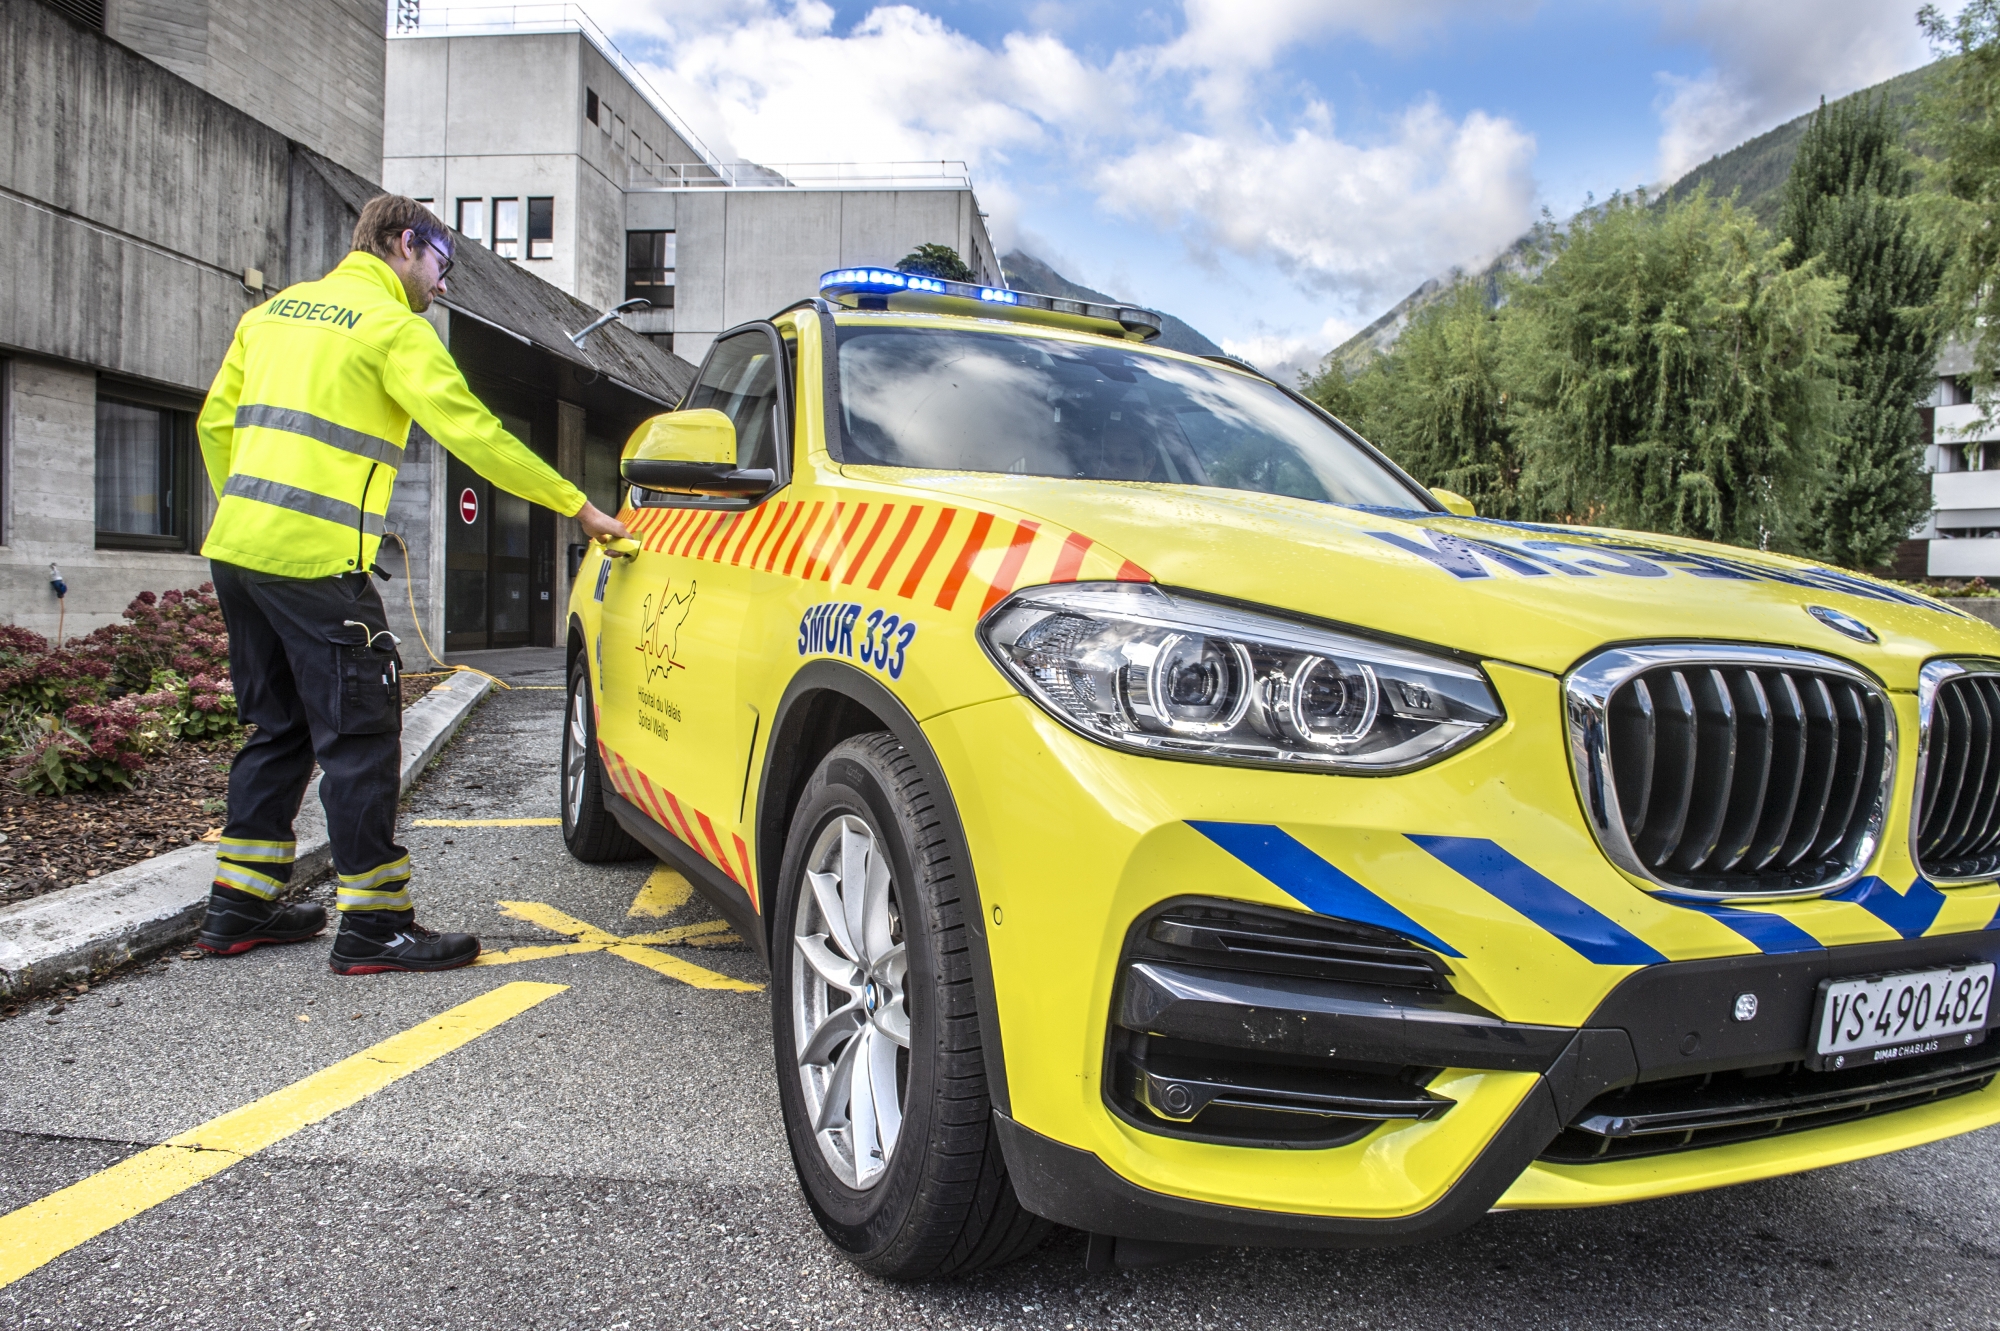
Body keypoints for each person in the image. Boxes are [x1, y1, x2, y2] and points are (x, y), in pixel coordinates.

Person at [190, 194, 630, 974]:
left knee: (277, 728)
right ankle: (373, 926)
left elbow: (213, 426)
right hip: (319, 563)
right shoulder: (394, 328)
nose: (444, 285)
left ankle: (238, 905)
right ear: (404, 243)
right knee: (360, 737)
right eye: (441, 264)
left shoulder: (272, 314)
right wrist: (579, 506)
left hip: (238, 555)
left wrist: (250, 515)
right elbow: (475, 433)